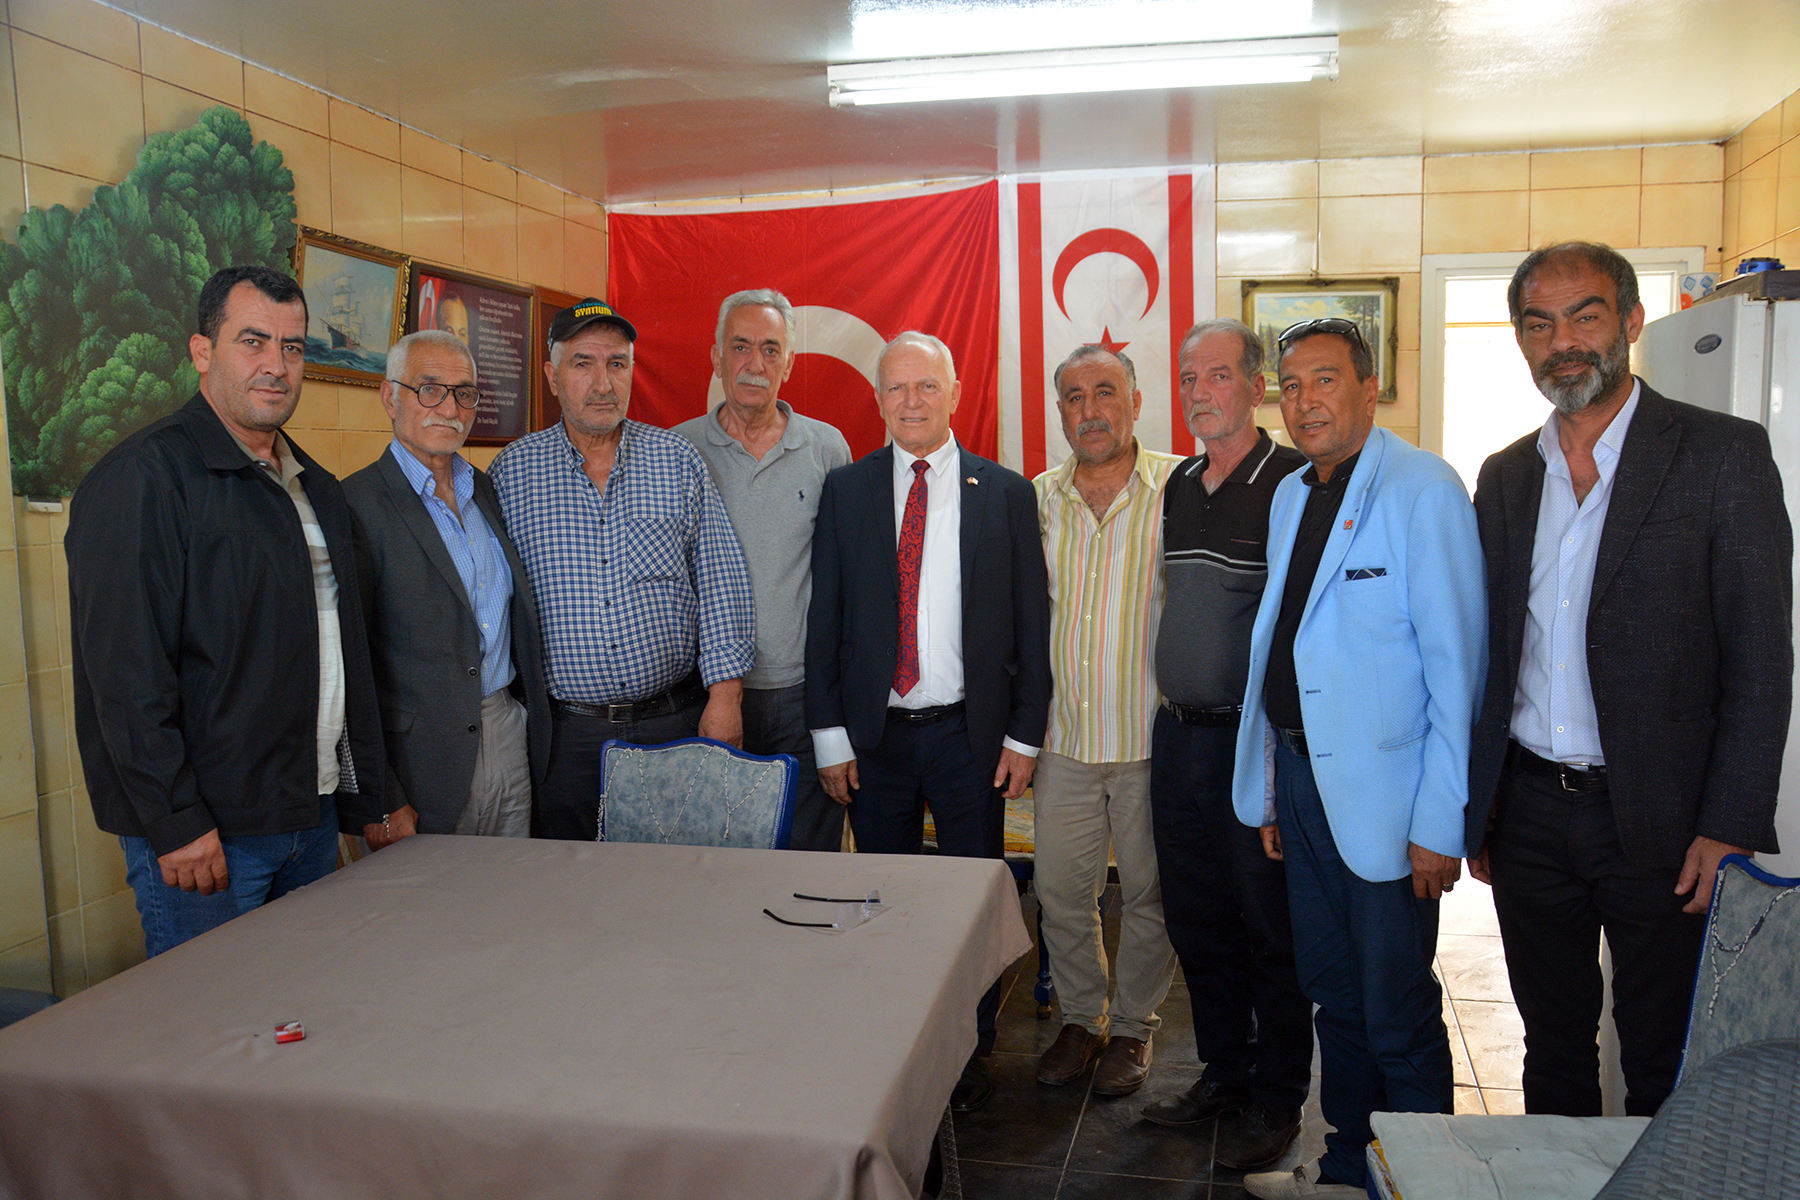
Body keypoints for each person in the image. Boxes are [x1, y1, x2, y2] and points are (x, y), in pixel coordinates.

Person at [1467, 242, 1792, 1117]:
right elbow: (1493, 654)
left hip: (1665, 820)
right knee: (1553, 1045)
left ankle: (1658, 1179)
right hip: (1530, 813)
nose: (1563, 342)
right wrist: (1483, 806)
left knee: (1661, 1055)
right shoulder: (1506, 476)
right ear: (1521, 340)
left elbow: (1762, 660)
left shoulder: (1721, 455)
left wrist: (1728, 823)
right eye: (1540, 324)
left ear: (1632, 322)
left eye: (1586, 316)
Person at [67, 264, 409, 957]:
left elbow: (345, 651)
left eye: (292, 346)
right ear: (202, 351)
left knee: (306, 1004)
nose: (275, 365)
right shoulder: (143, 479)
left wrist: (371, 792)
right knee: (211, 1017)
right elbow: (124, 676)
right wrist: (175, 820)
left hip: (310, 815)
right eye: (252, 341)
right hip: (211, 836)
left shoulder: (314, 489)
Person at [1233, 318, 1486, 1199]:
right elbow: (1289, 649)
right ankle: (1347, 1167)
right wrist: (1273, 789)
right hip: (1301, 782)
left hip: (1390, 799)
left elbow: (1459, 671)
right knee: (1333, 992)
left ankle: (1419, 1181)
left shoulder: (1424, 490)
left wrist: (1440, 822)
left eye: (1326, 380)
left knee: (1395, 1007)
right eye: (1292, 385)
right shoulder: (1291, 495)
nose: (1305, 401)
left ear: (1370, 389)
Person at [805, 331, 1051, 1111]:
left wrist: (1023, 735)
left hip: (969, 738)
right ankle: (891, 1038)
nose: (911, 401)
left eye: (927, 386)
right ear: (879, 399)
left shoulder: (1004, 493)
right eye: (897, 388)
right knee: (883, 898)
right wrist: (829, 737)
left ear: (955, 394)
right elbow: (825, 620)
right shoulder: (847, 490)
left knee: (967, 905)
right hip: (874, 740)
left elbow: (1030, 625)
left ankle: (968, 1049)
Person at [1140, 320, 1313, 1170]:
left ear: (1255, 386)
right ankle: (1223, 1071)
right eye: (1188, 378)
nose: (1200, 391)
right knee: (1197, 917)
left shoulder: (1291, 481)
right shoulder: (1180, 482)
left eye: (1217, 375)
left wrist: (1278, 759)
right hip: (1177, 738)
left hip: (1252, 745)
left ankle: (1277, 1097)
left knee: (1267, 926)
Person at [490, 298, 755, 841]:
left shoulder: (676, 459)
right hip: (568, 738)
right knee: (573, 879)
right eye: (583, 363)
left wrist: (726, 699)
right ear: (552, 376)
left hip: (674, 722)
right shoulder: (512, 474)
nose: (602, 383)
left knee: (680, 875)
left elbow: (722, 582)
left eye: (617, 364)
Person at [1029, 344, 1179, 1097]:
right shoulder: (1035, 498)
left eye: (1106, 392)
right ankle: (1081, 1019)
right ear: (1060, 411)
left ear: (1136, 402)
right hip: (1065, 739)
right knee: (1061, 893)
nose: (1091, 410)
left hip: (1153, 737)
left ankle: (1132, 1029)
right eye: (1074, 397)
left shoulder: (1181, 488)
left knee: (1152, 895)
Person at [343, 330, 551, 838]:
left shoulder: (487, 490)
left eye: (464, 393)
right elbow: (349, 666)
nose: (450, 408)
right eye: (430, 389)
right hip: (419, 761)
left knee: (514, 883)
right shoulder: (354, 504)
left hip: (506, 734)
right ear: (390, 398)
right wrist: (383, 795)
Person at [673, 289, 852, 852]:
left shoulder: (827, 449)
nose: (756, 363)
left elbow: (848, 582)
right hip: (705, 694)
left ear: (789, 363)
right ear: (716, 358)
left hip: (805, 696)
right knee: (717, 859)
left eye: (771, 349)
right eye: (741, 347)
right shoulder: (678, 450)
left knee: (808, 860)